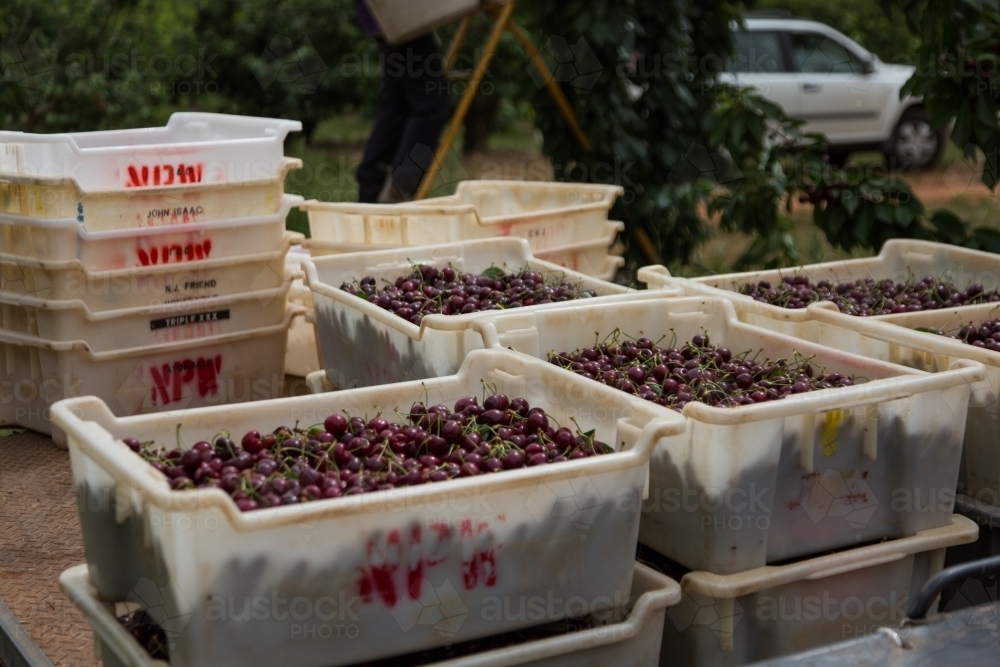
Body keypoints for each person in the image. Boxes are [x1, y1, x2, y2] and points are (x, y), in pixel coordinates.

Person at [354, 1, 452, 203]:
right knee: (432, 104)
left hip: (382, 16)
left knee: (398, 105)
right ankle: (401, 186)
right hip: (399, 13)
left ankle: (371, 188)